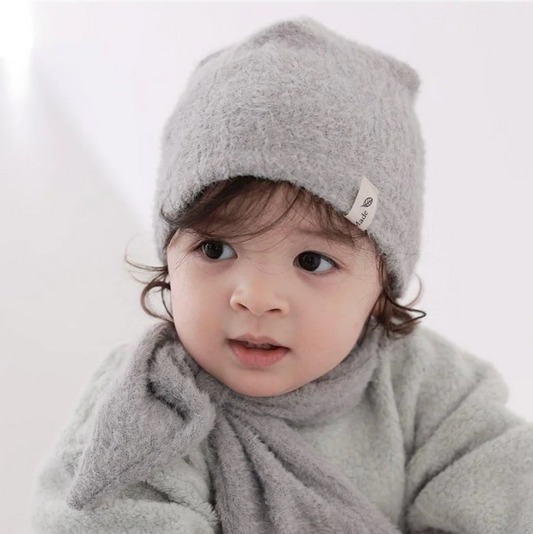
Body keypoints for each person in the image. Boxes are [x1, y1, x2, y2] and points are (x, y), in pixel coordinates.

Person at [28, 16, 533, 534]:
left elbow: (508, 489)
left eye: (312, 261)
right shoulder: (148, 414)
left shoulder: (428, 386)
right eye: (216, 249)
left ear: (381, 287)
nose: (256, 297)